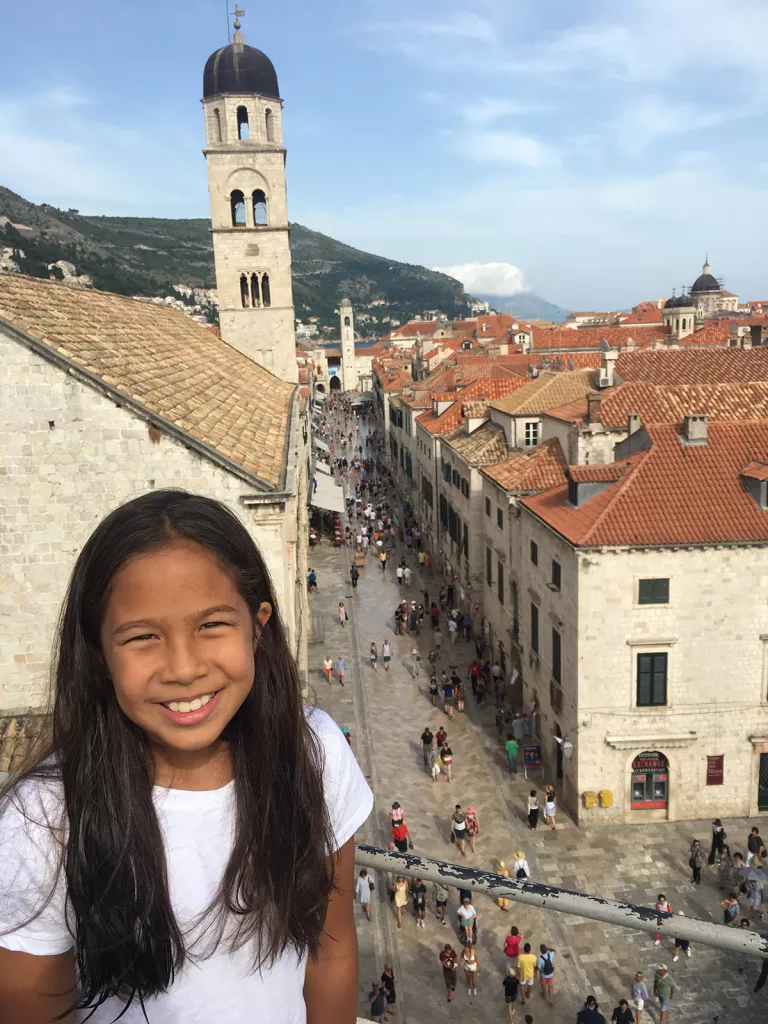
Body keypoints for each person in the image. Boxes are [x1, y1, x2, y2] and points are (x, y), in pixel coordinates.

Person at [0, 490, 373, 1023]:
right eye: (143, 636)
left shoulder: (313, 754)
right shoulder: (43, 823)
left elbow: (330, 949)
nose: (182, 667)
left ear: (258, 626)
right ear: (99, 653)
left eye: (211, 625)